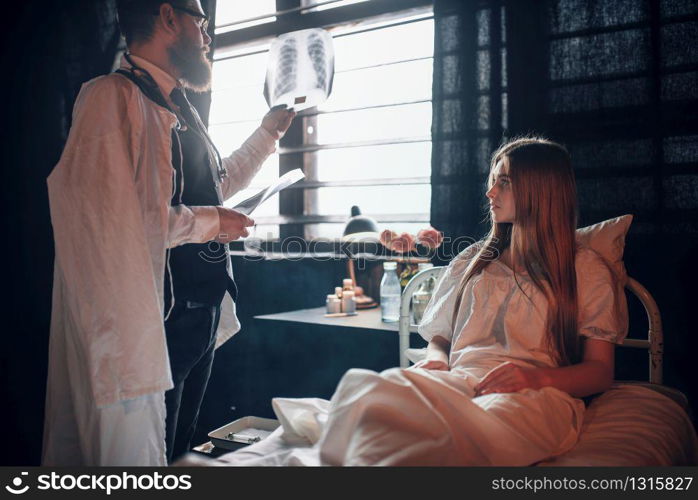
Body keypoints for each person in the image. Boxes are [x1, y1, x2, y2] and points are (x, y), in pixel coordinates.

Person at [216, 137, 627, 466]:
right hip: (458, 379)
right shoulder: (474, 260)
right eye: (493, 179)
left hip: (534, 395)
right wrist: (436, 359)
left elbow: (598, 372)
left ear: (540, 189)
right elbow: (441, 337)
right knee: (381, 391)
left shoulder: (583, 269)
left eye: (504, 181)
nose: (490, 191)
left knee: (459, 435)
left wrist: (533, 378)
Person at [42, 0, 294, 466]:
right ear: (168, 16)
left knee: (178, 454)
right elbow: (113, 217)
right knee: (148, 457)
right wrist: (212, 222)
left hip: (199, 316)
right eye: (201, 22)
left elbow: (217, 183)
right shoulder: (110, 98)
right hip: (157, 323)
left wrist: (267, 135)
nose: (207, 35)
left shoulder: (178, 108)